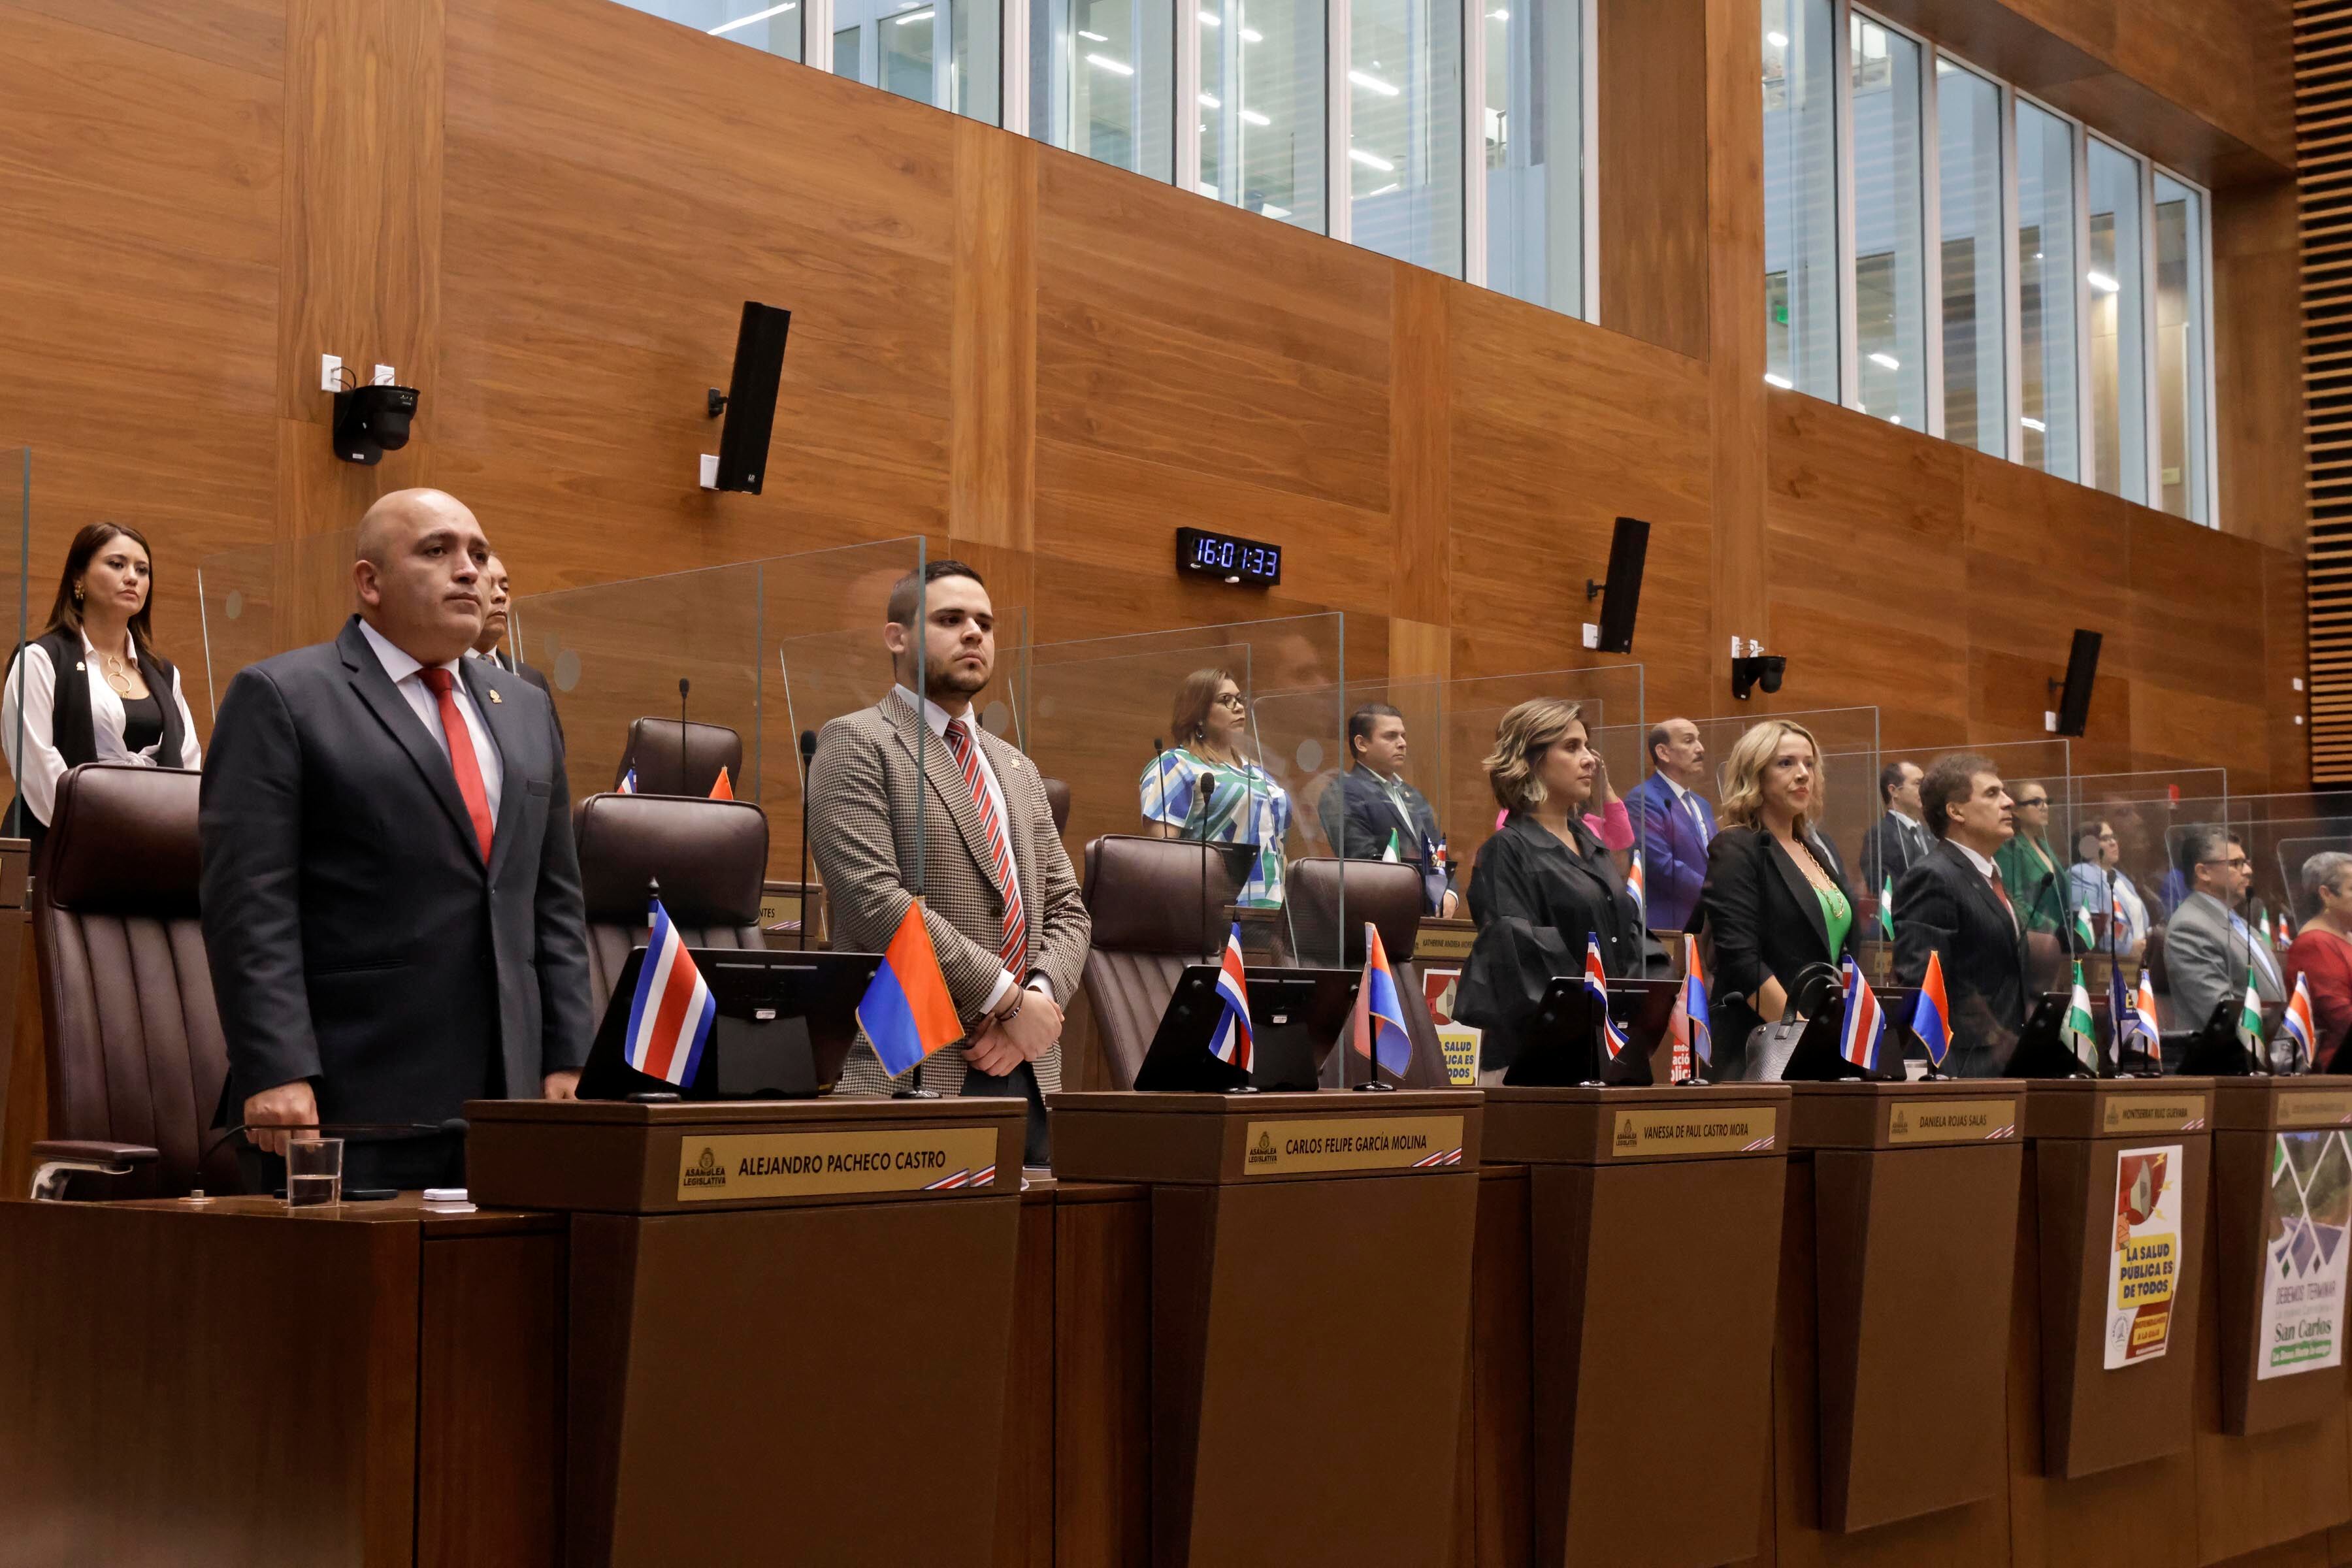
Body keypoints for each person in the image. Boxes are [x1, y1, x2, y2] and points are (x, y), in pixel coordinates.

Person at [199, 489, 591, 1192]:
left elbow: (553, 902)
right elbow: (250, 905)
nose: (470, 570)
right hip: (349, 1108)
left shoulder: (527, 709)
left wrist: (567, 1057)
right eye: (437, 551)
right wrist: (277, 1067)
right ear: (369, 582)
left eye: (478, 552)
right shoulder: (284, 697)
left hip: (511, 1104)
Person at [808, 560, 1090, 1164]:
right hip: (913, 1063)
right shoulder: (857, 741)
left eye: (985, 623)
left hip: (1029, 1071)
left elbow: (1069, 909)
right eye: (950, 619)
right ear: (896, 636)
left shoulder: (1017, 767)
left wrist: (1035, 1005)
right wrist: (1009, 1001)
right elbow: (877, 902)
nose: (974, 634)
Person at [1458, 698, 1643, 1077]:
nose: (1590, 758)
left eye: (1587, 746)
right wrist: (1592, 1013)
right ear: (1531, 759)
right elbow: (1519, 956)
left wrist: (1644, 1000)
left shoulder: (1592, 845)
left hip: (1605, 1049)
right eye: (1572, 747)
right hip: (1539, 1061)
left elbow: (1627, 933)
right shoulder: (1506, 850)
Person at [0, 522, 203, 854]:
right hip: (62, 853)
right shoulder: (41, 660)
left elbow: (189, 768)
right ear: (78, 578)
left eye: (142, 569)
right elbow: (38, 771)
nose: (132, 577)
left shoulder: (165, 674)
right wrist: (111, 840)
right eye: (116, 564)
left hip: (149, 856)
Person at [1695, 720, 1858, 1079]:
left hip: (1826, 1042)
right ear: (1755, 774)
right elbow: (1740, 958)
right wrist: (1800, 1036)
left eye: (1809, 764)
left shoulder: (1816, 850)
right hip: (1764, 1048)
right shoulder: (1737, 846)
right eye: (1786, 763)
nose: (1802, 774)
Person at [1891, 755, 2030, 1076]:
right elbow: (1926, 984)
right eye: (1993, 794)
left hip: (2007, 1062)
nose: (2009, 802)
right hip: (1962, 1068)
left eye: (2005, 792)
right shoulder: (1933, 877)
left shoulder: (1989, 876)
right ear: (1956, 811)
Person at [1139, 668, 1292, 909]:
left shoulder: (1258, 772)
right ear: (1198, 714)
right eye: (1225, 701)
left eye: (1239, 700)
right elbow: (1165, 857)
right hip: (1215, 911)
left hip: (1275, 907)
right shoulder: (1176, 765)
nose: (1239, 707)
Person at [1316, 703, 1458, 916]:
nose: (1402, 743)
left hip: (1427, 917)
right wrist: (1424, 896)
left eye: (1403, 735)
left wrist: (1450, 894)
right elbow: (1363, 861)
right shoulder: (1341, 793)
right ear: (1362, 744)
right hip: (1378, 915)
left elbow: (1437, 853)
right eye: (1391, 736)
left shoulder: (1413, 796)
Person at [2164, 826, 2284, 1035]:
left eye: (2246, 862)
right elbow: (2220, 1014)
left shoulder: (2239, 923)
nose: (2248, 870)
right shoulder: (2189, 929)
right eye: (2236, 863)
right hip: (2228, 1062)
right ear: (2203, 872)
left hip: (2269, 1052)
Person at [1623, 717, 1714, 935]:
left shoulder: (1703, 804)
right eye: (1689, 741)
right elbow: (1660, 866)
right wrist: (1717, 892)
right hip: (1669, 926)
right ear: (1663, 753)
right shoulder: (1643, 799)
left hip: (1707, 925)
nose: (1700, 748)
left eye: (1699, 740)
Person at [468, 553, 561, 741]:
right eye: (487, 585)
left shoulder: (532, 680)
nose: (501, 596)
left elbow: (555, 758)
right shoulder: (441, 673)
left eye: (505, 588)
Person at [2286, 851, 2352, 1068]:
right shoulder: (2314, 944)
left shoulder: (2346, 935)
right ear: (2327, 894)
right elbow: (2342, 1018)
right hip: (2338, 1067)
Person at [1993, 780, 2076, 945]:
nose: (2044, 807)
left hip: (2060, 943)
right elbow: (2013, 900)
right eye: (2036, 802)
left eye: (2047, 801)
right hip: (2033, 940)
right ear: (2015, 810)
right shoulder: (2009, 847)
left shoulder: (2044, 846)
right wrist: (2053, 928)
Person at [2070, 820, 2149, 962]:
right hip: (2110, 962)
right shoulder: (2082, 874)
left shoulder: (2120, 877)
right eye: (2105, 839)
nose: (2113, 843)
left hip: (2139, 958)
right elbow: (2094, 923)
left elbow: (2137, 919)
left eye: (2114, 837)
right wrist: (2129, 945)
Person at [1857, 760, 1930, 903]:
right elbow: (1882, 889)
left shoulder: (1931, 834)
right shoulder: (1879, 835)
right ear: (1894, 791)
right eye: (1917, 783)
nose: (1925, 790)